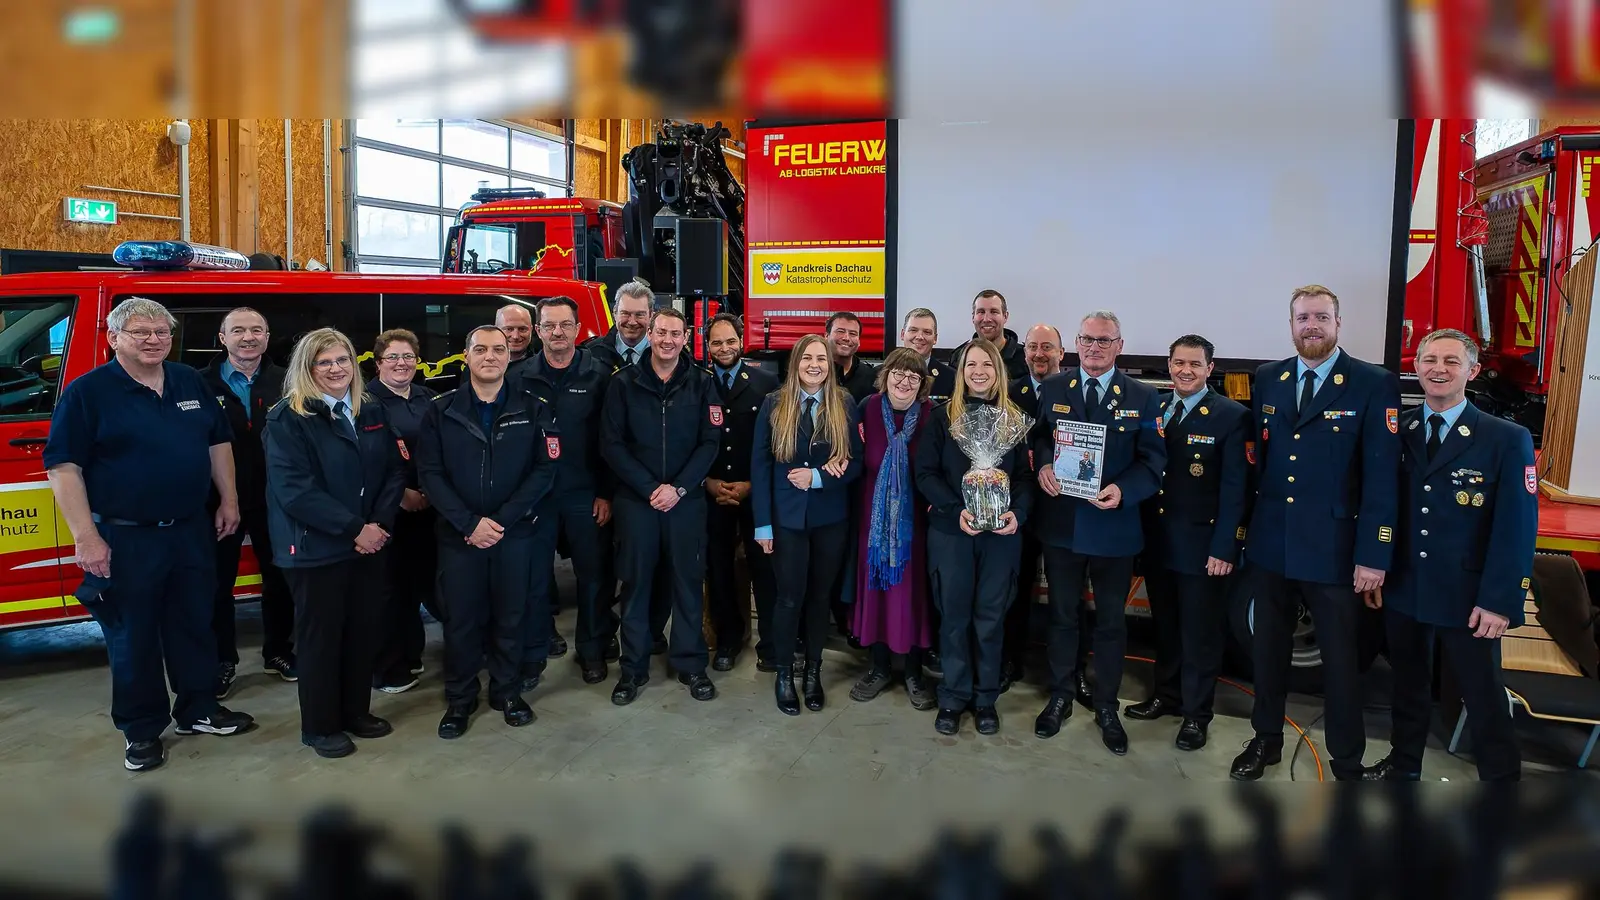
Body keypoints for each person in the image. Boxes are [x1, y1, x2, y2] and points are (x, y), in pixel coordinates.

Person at [44, 297, 255, 773]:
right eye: (141, 332)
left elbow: (216, 441)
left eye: (162, 331)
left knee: (194, 624)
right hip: (125, 538)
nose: (154, 340)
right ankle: (141, 730)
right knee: (132, 637)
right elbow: (63, 467)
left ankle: (198, 709)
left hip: (189, 531)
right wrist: (86, 537)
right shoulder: (87, 393)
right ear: (114, 338)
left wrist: (229, 500)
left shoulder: (187, 380)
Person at [1231, 284, 1400, 781]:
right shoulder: (1270, 378)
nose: (1311, 326)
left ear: (1338, 324)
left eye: (1321, 318)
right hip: (1271, 546)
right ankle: (1266, 741)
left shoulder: (1372, 383)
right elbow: (1261, 462)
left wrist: (1375, 554)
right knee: (1267, 655)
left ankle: (1346, 760)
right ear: (1291, 324)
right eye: (1302, 317)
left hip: (1335, 552)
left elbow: (1382, 477)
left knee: (1342, 666)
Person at [1362, 328, 1535, 782]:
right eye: (1429, 360)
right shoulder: (1402, 429)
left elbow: (1517, 528)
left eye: (1451, 361)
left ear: (1473, 371)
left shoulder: (1504, 438)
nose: (1439, 369)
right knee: (1408, 688)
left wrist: (1500, 599)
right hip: (1405, 587)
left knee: (1482, 695)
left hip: (1468, 596)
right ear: (1415, 367)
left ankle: (1501, 783)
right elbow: (1385, 507)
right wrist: (1378, 570)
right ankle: (1404, 767)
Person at [264, 328, 405, 759]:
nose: (335, 369)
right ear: (307, 369)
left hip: (368, 542)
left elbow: (392, 472)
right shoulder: (287, 418)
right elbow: (296, 491)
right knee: (321, 640)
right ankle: (321, 726)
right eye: (323, 362)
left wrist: (378, 524)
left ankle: (356, 713)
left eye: (342, 360)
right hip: (315, 549)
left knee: (362, 632)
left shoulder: (370, 409)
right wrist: (354, 529)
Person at [1031, 310, 1166, 755]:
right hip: (1062, 524)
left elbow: (1153, 461)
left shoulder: (1144, 398)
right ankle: (1061, 695)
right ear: (1075, 343)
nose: (1094, 347)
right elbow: (1039, 439)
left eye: (1103, 341)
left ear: (1119, 345)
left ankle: (1106, 704)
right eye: (1087, 339)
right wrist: (1046, 463)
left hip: (1113, 526)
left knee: (1110, 622)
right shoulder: (1053, 388)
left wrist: (1122, 491)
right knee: (1063, 616)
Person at [417, 325, 559, 738]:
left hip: (513, 535)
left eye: (499, 350)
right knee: (462, 621)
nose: (491, 357)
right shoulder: (440, 410)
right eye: (481, 349)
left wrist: (502, 521)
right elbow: (430, 473)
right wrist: (469, 523)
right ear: (466, 355)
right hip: (460, 538)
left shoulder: (535, 408)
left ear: (509, 356)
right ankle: (460, 701)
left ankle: (507, 692)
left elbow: (544, 470)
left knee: (511, 617)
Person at [1127, 334, 1250, 751]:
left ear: (1210, 369)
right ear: (1169, 364)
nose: (1185, 371)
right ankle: (1167, 695)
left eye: (1195, 365)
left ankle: (1197, 715)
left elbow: (1237, 491)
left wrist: (1225, 547)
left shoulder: (1231, 415)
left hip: (1203, 549)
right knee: (1166, 628)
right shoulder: (1157, 407)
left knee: (1200, 635)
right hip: (1161, 543)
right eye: (1179, 363)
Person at [601, 307, 721, 705]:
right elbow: (612, 445)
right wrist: (652, 488)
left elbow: (710, 443)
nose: (668, 340)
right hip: (637, 503)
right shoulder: (623, 384)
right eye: (661, 332)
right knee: (635, 587)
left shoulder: (702, 384)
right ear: (649, 334)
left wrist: (680, 489)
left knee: (687, 584)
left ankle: (690, 664)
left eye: (676, 333)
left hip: (686, 504)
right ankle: (632, 670)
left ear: (686, 338)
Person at [914, 338, 1034, 735]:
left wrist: (1017, 513)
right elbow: (926, 474)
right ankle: (951, 697)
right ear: (961, 372)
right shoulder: (940, 417)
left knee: (989, 619)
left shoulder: (1014, 419)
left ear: (998, 370)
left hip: (1000, 536)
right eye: (971, 365)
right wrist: (956, 508)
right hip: (953, 533)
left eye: (986, 364)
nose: (979, 371)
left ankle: (985, 700)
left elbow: (1024, 478)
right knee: (954, 618)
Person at [752, 335, 864, 714]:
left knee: (819, 599)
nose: (815, 365)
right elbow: (761, 467)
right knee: (788, 597)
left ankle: (813, 672)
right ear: (796, 362)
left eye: (822, 358)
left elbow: (857, 464)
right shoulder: (774, 403)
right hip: (786, 521)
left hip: (830, 519)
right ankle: (785, 673)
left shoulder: (844, 403)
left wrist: (819, 477)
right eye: (808, 358)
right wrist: (762, 526)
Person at [520, 297, 619, 685]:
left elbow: (612, 440)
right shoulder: (519, 376)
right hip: (535, 498)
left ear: (578, 329)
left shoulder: (600, 375)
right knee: (531, 578)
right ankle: (531, 657)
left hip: (585, 495)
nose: (557, 333)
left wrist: (606, 493)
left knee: (594, 577)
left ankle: (591, 651)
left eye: (564, 325)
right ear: (538, 330)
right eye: (549, 326)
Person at [199, 307, 294, 700]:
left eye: (257, 329)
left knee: (281, 579)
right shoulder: (198, 384)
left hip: (278, 500)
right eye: (238, 330)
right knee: (217, 584)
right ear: (223, 338)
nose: (248, 337)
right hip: (219, 502)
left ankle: (279, 652)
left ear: (267, 337)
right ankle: (223, 660)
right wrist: (224, 498)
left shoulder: (288, 381)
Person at [849, 348, 938, 710]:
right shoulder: (866, 408)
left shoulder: (934, 416)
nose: (904, 381)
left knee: (913, 593)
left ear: (922, 386)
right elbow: (851, 457)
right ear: (884, 377)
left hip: (916, 523)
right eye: (898, 374)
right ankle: (879, 667)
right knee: (876, 590)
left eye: (913, 377)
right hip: (872, 521)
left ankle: (915, 673)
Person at [702, 313, 781, 672]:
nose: (724, 348)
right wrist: (708, 482)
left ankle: (770, 642)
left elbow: (776, 444)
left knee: (764, 570)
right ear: (707, 346)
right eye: (716, 342)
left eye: (730, 340)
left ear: (740, 341)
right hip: (712, 493)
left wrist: (752, 485)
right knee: (717, 572)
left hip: (756, 492)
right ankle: (728, 640)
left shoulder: (767, 382)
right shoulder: (697, 384)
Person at [366, 329, 439, 694]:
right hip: (388, 511)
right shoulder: (365, 401)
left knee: (417, 586)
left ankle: (412, 654)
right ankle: (387, 668)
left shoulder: (428, 397)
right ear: (378, 362)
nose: (401, 364)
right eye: (392, 357)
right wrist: (400, 497)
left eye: (408, 357)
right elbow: (364, 462)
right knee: (388, 591)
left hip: (429, 509)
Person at [1003, 323, 1066, 691]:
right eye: (1032, 347)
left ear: (1062, 352)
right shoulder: (1011, 393)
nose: (1039, 353)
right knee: (1015, 587)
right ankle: (1011, 659)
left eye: (1047, 347)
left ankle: (1067, 671)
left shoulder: (1075, 392)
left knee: (1065, 595)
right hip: (1021, 506)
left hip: (1062, 506)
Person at [953, 290, 1028, 383]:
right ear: (973, 317)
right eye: (981, 312)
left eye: (994, 312)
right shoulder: (958, 357)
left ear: (1005, 316)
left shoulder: (1025, 358)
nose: (987, 319)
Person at [582, 279, 654, 369]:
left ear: (651, 316)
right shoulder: (591, 353)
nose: (632, 322)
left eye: (639, 315)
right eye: (625, 313)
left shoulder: (667, 354)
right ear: (615, 314)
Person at [900, 307, 955, 406]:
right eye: (913, 330)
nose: (919, 337)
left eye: (927, 332)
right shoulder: (881, 373)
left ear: (935, 338)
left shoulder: (951, 377)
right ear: (902, 334)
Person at [827, 312, 878, 402]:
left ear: (859, 341)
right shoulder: (816, 373)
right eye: (840, 331)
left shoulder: (871, 377)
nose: (846, 338)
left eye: (853, 334)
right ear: (826, 336)